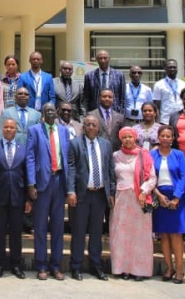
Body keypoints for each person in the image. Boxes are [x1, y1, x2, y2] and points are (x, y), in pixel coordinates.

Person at [67, 115, 116, 281]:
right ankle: (76, 266)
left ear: (98, 128)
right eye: (87, 124)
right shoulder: (74, 144)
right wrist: (70, 191)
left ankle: (96, 265)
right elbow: (71, 169)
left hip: (100, 194)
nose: (90, 127)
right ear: (83, 127)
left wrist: (111, 192)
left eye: (93, 124)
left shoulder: (106, 145)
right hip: (82, 194)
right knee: (79, 232)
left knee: (96, 233)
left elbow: (110, 170)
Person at [25, 103, 70, 280]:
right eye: (47, 111)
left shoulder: (64, 131)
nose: (50, 113)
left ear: (57, 113)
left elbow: (67, 157)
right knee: (41, 227)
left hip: (59, 181)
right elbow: (30, 157)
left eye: (53, 110)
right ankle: (41, 265)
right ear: (43, 114)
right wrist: (31, 183)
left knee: (58, 227)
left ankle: (56, 266)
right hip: (42, 183)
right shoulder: (34, 130)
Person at [109, 126, 156, 280]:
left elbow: (152, 177)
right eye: (124, 137)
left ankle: (139, 270)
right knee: (121, 235)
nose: (127, 140)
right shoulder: (115, 155)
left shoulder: (144, 154)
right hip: (121, 199)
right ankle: (123, 269)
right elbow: (112, 177)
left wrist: (144, 191)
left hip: (139, 199)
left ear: (135, 137)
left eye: (130, 136)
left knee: (139, 236)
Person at [0, 117, 29, 280]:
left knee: (16, 233)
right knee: (0, 233)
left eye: (12, 127)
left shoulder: (24, 149)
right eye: (6, 127)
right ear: (1, 129)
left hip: (18, 198)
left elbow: (26, 176)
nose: (9, 130)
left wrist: (27, 199)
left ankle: (16, 265)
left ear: (16, 130)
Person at [150, 124, 185, 284]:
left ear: (173, 139)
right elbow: (149, 176)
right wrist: (158, 195)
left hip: (176, 197)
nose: (165, 139)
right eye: (162, 136)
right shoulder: (152, 155)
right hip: (160, 196)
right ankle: (169, 267)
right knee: (164, 235)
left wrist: (177, 198)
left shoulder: (179, 155)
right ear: (158, 138)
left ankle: (180, 270)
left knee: (176, 235)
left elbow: (184, 176)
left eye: (168, 136)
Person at [82, 49, 124, 114]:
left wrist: (121, 114)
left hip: (114, 112)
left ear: (109, 59)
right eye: (100, 58)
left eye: (105, 58)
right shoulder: (89, 76)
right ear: (97, 60)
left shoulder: (119, 75)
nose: (103, 60)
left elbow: (122, 97)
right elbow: (86, 98)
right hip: (95, 112)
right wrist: (87, 113)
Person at [153, 59, 185, 124]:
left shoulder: (184, 85)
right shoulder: (158, 85)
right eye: (170, 67)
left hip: (181, 119)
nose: (172, 69)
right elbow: (156, 106)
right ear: (165, 69)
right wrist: (157, 122)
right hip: (165, 120)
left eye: (174, 67)